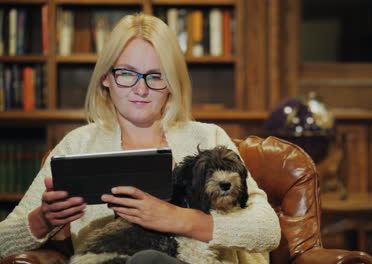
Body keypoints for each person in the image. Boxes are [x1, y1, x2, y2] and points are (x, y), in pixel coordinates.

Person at [0, 13, 281, 263]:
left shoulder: (208, 137)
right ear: (106, 78)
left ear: (172, 83)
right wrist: (41, 221)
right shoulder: (78, 145)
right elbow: (3, 241)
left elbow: (267, 229)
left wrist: (178, 219)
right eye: (126, 74)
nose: (140, 89)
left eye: (155, 76)